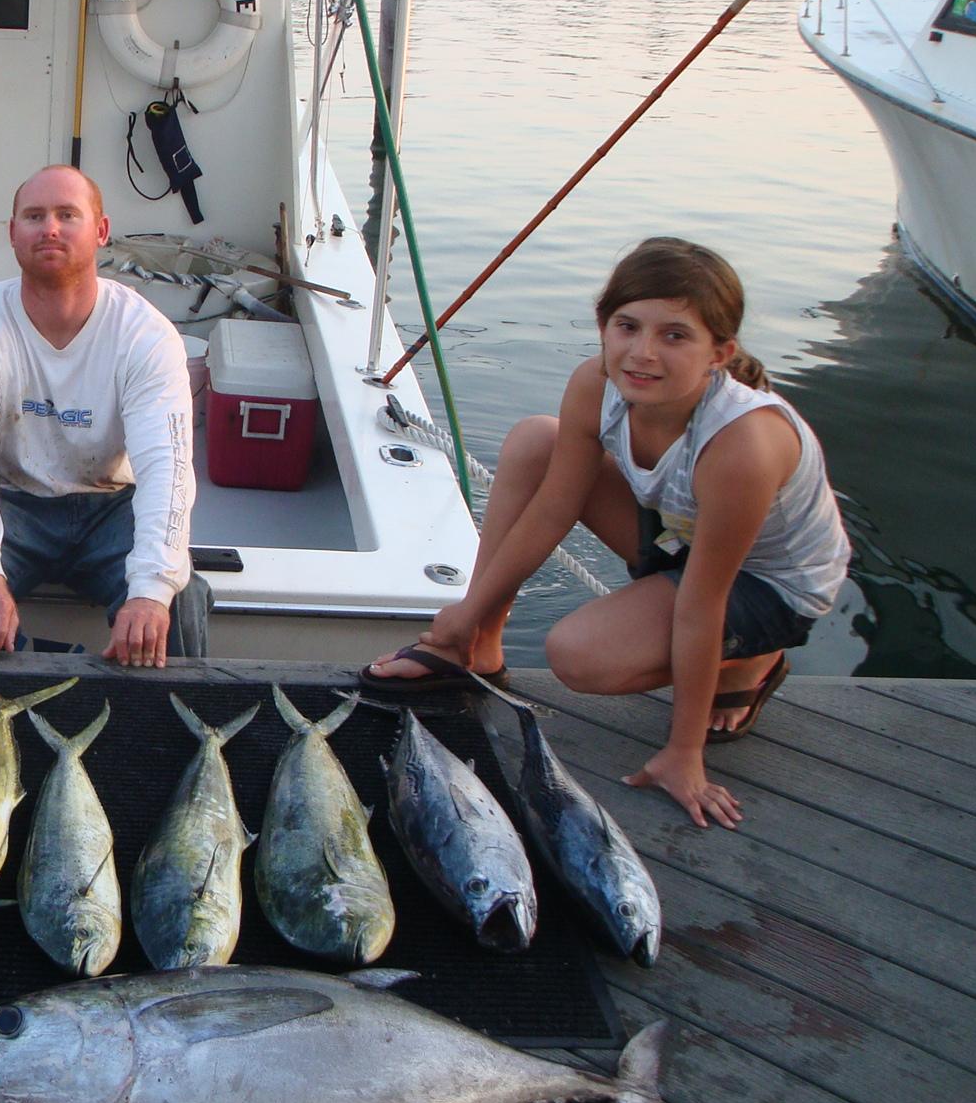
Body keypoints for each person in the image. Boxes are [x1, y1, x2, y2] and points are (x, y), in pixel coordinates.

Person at [362, 237, 851, 830]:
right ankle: (478, 649)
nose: (642, 353)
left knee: (580, 656)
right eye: (627, 326)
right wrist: (468, 613)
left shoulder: (742, 445)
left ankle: (750, 662)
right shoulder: (597, 385)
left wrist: (684, 753)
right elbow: (551, 509)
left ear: (719, 352)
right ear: (603, 325)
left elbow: (702, 603)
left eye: (675, 335)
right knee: (534, 443)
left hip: (766, 583)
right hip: (683, 534)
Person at [0, 164, 210, 666]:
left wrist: (152, 590)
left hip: (112, 504)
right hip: (14, 502)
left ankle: (172, 734)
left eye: (67, 214)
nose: (49, 227)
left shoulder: (145, 334)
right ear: (13, 234)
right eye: (34, 215)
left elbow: (168, 470)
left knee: (181, 596)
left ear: (100, 231)